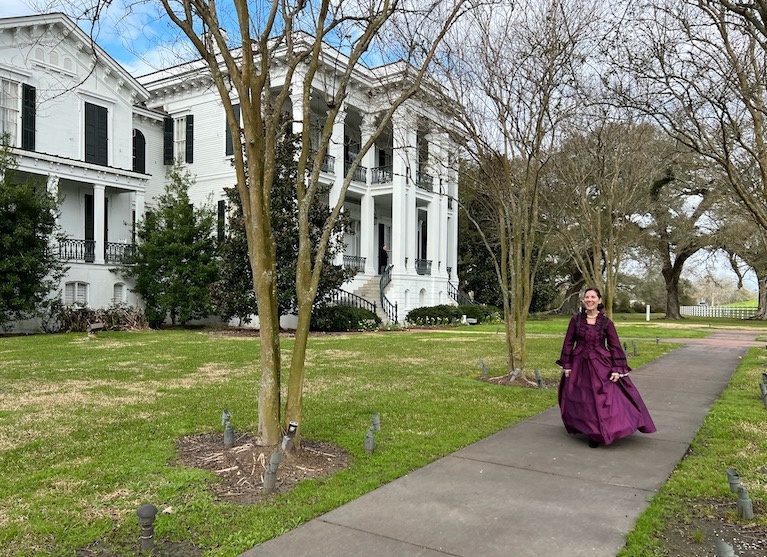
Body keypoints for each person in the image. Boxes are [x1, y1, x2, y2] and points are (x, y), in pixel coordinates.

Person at [556, 287, 656, 448]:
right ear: (583, 301)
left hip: (601, 364)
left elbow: (615, 345)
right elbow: (568, 343)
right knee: (584, 399)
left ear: (599, 300)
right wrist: (567, 365)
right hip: (579, 365)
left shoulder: (606, 322)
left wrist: (617, 368)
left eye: (593, 297)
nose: (589, 300)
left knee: (604, 398)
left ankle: (607, 429)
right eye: (586, 297)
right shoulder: (575, 320)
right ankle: (591, 431)